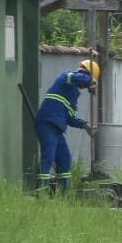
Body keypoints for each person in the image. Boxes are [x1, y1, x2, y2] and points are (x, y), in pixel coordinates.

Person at [35, 59, 98, 194]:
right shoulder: (66, 77)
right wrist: (90, 80)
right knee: (48, 156)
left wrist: (85, 125)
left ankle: (65, 193)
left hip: (57, 127)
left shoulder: (74, 95)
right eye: (86, 82)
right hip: (47, 122)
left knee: (64, 158)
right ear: (85, 74)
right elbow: (76, 77)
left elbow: (70, 118)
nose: (85, 86)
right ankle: (41, 192)